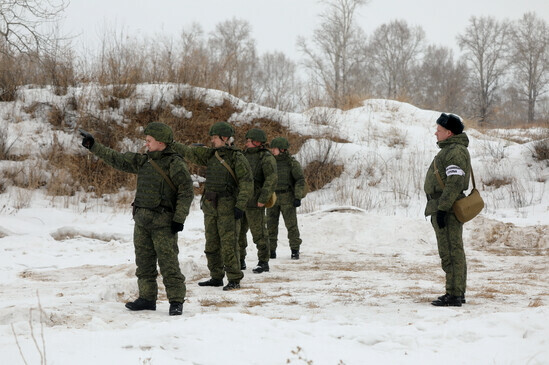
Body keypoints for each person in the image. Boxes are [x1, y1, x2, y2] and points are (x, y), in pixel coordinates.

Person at [79, 122, 193, 316]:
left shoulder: (175, 164)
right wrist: (94, 146)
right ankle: (147, 299)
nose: (146, 144)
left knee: (168, 263)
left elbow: (186, 192)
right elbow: (118, 159)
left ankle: (176, 301)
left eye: (149, 141)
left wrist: (179, 218)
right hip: (142, 221)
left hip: (164, 223)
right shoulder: (144, 161)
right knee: (144, 263)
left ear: (161, 142)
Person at [172, 121, 253, 291]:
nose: (212, 141)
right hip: (211, 205)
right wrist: (169, 142)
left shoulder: (237, 158)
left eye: (215, 137)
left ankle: (234, 278)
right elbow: (189, 152)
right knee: (212, 244)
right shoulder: (211, 155)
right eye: (212, 137)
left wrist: (240, 205)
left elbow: (247, 183)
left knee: (229, 244)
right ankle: (216, 276)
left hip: (228, 207)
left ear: (225, 138)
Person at [424, 113, 470, 307]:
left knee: (452, 251)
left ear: (449, 133)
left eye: (439, 130)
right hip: (442, 206)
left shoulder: (455, 152)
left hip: (448, 208)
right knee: (449, 251)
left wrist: (442, 209)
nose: (436, 133)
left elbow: (454, 183)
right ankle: (454, 291)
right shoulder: (449, 150)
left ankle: (455, 294)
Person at [238, 128, 277, 274]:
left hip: (256, 201)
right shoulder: (242, 155)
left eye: (249, 140)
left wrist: (263, 198)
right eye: (246, 140)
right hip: (241, 200)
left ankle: (263, 261)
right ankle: (240, 259)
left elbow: (271, 180)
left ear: (257, 142)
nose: (246, 143)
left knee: (259, 232)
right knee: (239, 232)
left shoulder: (266, 157)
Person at [266, 137, 306, 260]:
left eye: (275, 148)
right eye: (271, 148)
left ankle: (295, 250)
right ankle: (271, 251)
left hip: (287, 198)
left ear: (282, 149)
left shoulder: (291, 163)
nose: (272, 150)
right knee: (270, 225)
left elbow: (300, 180)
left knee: (291, 225)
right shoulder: (269, 162)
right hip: (272, 197)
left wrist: (298, 196)